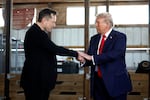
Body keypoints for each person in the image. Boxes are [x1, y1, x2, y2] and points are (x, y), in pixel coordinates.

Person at [20, 8, 83, 100]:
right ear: (45, 20)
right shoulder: (35, 33)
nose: (54, 25)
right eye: (53, 22)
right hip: (35, 81)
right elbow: (55, 49)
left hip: (39, 81)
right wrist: (76, 53)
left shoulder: (38, 33)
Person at [79, 12, 132, 100]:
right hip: (98, 83)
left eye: (98, 22)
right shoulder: (94, 39)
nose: (95, 25)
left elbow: (115, 54)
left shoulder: (120, 37)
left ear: (107, 24)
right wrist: (83, 59)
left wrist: (92, 58)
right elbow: (90, 57)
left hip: (115, 83)